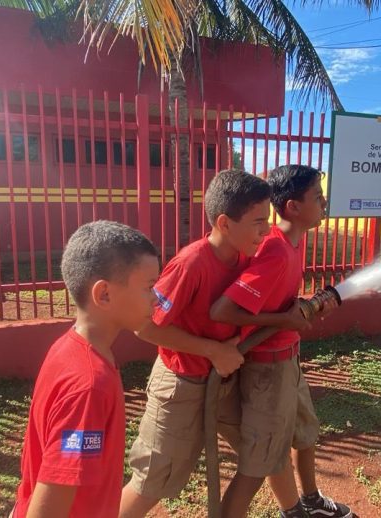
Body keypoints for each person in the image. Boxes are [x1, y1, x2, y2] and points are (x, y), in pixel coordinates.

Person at [120, 169, 290, 517]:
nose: (266, 230)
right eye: (259, 221)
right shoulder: (191, 263)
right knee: (153, 479)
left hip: (222, 383)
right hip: (181, 386)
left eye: (268, 221)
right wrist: (213, 350)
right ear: (225, 223)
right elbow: (143, 326)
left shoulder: (245, 256)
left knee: (259, 452)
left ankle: (297, 506)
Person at [211, 165, 354, 518]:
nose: (324, 203)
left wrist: (304, 308)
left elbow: (276, 301)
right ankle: (293, 512)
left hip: (289, 358)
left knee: (305, 434)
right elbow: (225, 310)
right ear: (292, 207)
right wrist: (285, 319)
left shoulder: (294, 240)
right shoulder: (274, 250)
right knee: (264, 459)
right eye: (317, 198)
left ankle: (310, 501)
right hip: (266, 371)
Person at [12, 221, 160, 518]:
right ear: (104, 294)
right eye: (149, 287)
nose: (156, 298)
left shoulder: (70, 348)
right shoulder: (90, 385)